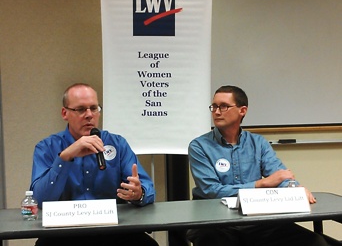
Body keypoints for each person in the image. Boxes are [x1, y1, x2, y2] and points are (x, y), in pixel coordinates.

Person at [186, 85, 328, 246]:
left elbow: (280, 175)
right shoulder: (199, 146)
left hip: (255, 219)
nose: (217, 112)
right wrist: (260, 184)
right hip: (215, 223)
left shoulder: (258, 143)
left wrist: (294, 188)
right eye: (214, 107)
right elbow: (211, 190)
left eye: (223, 106)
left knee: (315, 242)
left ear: (242, 110)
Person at [30, 83, 158, 246]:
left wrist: (138, 193)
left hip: (113, 231)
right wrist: (66, 156)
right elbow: (39, 200)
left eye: (94, 108)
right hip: (63, 234)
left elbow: (148, 189)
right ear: (65, 113)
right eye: (81, 109)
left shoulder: (117, 144)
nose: (89, 115)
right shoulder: (47, 147)